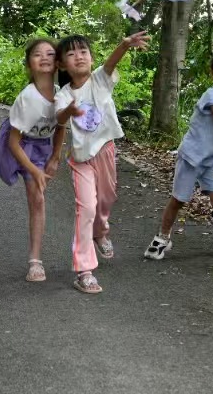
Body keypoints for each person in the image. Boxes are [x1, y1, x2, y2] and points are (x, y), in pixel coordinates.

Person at [0, 38, 66, 282]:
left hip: (40, 148)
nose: (45, 57)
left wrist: (55, 157)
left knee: (37, 200)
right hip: (10, 145)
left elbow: (61, 126)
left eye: (50, 53)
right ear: (29, 64)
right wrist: (34, 170)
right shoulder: (27, 98)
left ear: (59, 62)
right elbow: (13, 143)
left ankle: (35, 261)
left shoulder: (62, 95)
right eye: (37, 54)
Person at [55, 31, 149, 294]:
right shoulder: (63, 94)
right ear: (62, 65)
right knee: (86, 209)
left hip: (106, 151)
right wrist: (68, 111)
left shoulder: (100, 80)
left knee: (106, 201)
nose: (79, 57)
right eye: (71, 54)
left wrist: (125, 44)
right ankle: (84, 271)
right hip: (82, 160)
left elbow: (111, 63)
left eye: (83, 51)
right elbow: (59, 120)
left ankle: (101, 231)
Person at [144, 50, 213, 271]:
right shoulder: (211, 95)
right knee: (179, 200)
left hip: (211, 161)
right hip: (191, 158)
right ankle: (162, 237)